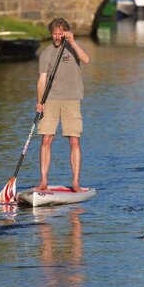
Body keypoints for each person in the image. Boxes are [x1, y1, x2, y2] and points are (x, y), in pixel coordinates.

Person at [36, 18, 91, 192]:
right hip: (51, 100)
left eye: (60, 33)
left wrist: (72, 41)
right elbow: (41, 80)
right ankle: (43, 181)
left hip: (71, 100)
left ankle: (75, 183)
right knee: (46, 139)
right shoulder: (46, 53)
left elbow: (86, 59)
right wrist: (40, 102)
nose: (57, 36)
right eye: (54, 33)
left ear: (66, 32)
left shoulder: (74, 47)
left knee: (74, 141)